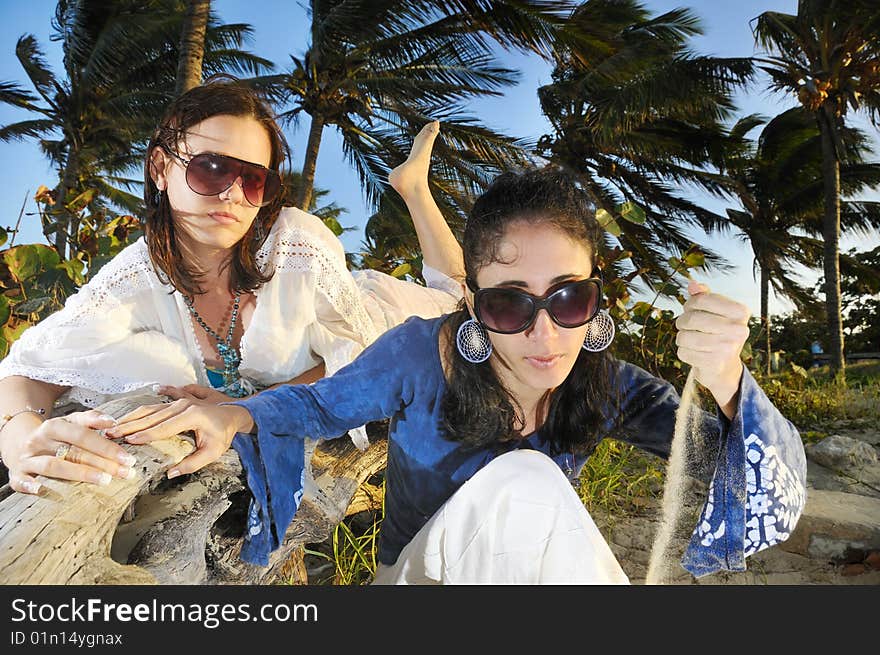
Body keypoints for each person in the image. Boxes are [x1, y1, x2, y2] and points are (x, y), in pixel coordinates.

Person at [109, 167, 808, 584]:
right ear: (472, 302)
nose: (544, 332)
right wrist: (239, 412)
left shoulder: (604, 383)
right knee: (526, 481)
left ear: (596, 297)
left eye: (568, 298)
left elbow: (750, 477)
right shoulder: (420, 353)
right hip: (418, 580)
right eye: (510, 302)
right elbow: (322, 406)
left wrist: (727, 379)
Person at [0, 76, 463, 495]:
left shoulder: (297, 245)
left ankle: (413, 188)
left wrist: (247, 407)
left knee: (459, 297)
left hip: (372, 312)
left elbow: (359, 356)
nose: (233, 194)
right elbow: (24, 370)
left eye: (254, 179)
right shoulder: (136, 275)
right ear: (161, 169)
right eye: (211, 168)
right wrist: (20, 437)